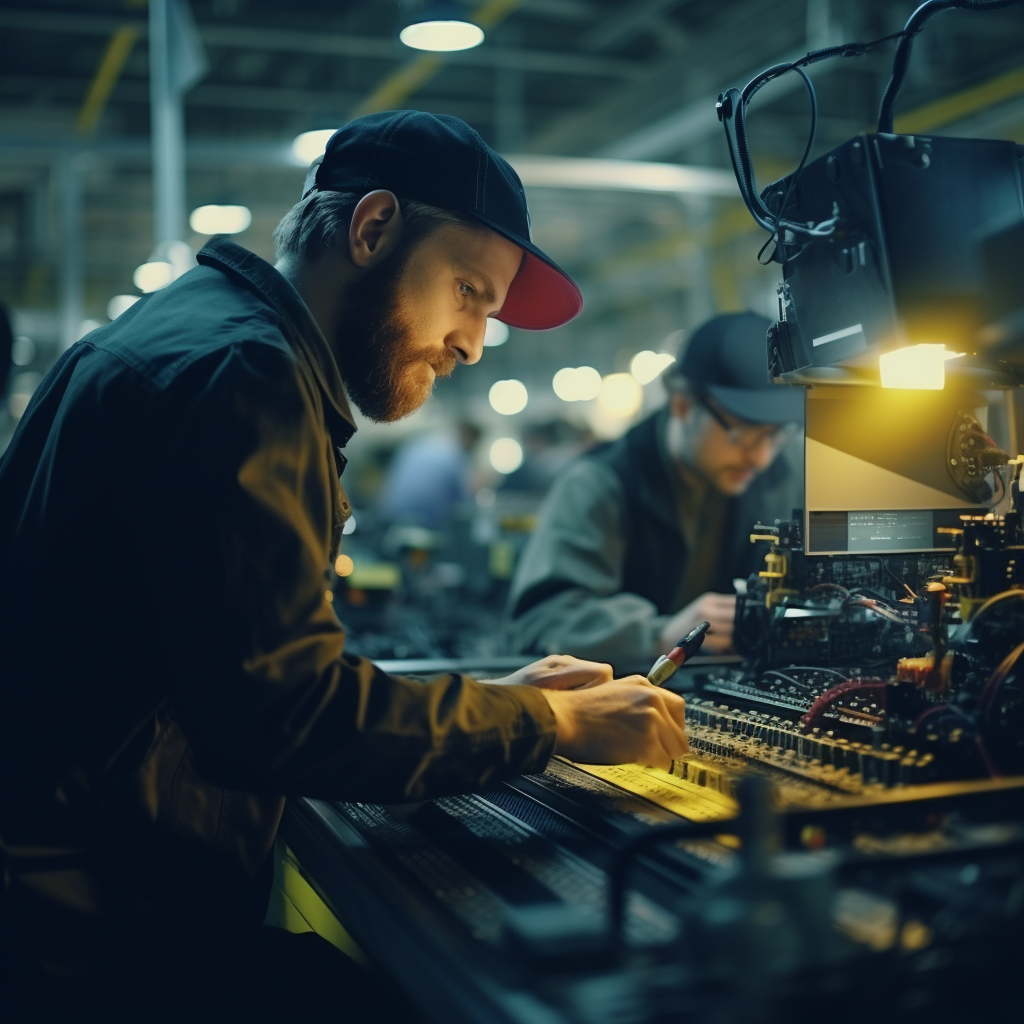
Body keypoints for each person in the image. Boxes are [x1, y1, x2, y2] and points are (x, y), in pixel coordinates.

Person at [0, 111, 689, 1018]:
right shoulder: (245, 376)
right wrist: (544, 723)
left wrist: (498, 706)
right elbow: (284, 718)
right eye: (468, 291)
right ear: (371, 230)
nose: (474, 342)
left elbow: (246, 677)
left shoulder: (198, 336)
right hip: (98, 941)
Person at [506, 312, 804, 668]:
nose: (761, 456)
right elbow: (541, 621)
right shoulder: (601, 485)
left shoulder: (782, 473)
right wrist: (656, 634)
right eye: (744, 433)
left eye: (775, 434)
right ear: (682, 405)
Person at [376, 420, 481, 531]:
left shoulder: (420, 443)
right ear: (471, 438)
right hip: (423, 524)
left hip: (388, 516)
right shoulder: (455, 456)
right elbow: (462, 505)